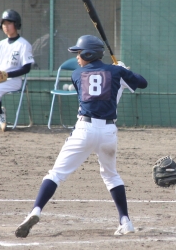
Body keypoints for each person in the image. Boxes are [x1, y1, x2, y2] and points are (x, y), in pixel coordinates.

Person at [15, 35, 148, 237]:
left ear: (88, 54)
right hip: (108, 132)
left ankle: (35, 211)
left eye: (79, 53)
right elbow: (142, 83)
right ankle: (125, 221)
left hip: (84, 130)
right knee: (111, 176)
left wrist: (117, 71)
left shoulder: (77, 74)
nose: (77, 57)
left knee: (56, 174)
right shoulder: (117, 72)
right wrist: (124, 70)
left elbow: (98, 79)